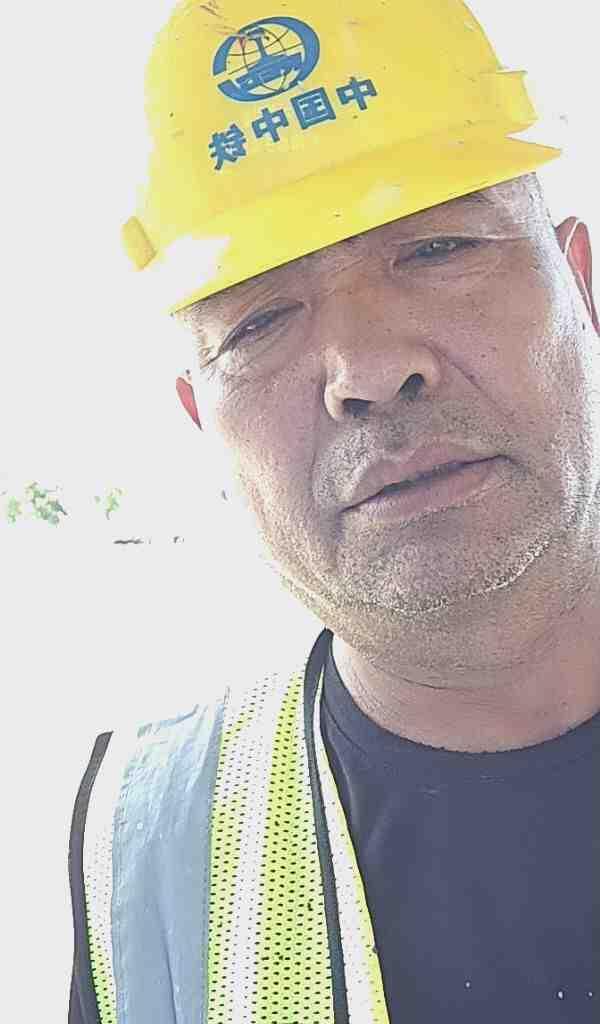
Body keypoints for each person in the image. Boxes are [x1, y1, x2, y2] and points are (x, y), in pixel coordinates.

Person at [68, 2, 599, 1021]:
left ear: (581, 287)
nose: (368, 368)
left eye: (437, 248)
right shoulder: (147, 851)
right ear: (202, 421)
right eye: (261, 319)